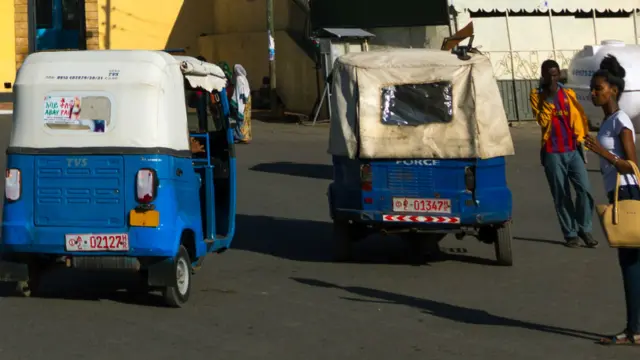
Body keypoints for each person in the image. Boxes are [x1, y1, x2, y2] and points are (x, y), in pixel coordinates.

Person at [583, 55, 640, 345]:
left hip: (628, 194)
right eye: (593, 88)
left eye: (598, 88)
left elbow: (632, 164)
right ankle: (634, 329)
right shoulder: (607, 121)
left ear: (613, 90)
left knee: (631, 265)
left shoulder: (620, 120)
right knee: (630, 265)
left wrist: (601, 151)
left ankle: (634, 331)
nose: (593, 93)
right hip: (619, 193)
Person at [529, 59, 598, 248]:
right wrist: (549, 99)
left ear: (560, 74)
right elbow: (542, 121)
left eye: (555, 74)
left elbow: (578, 119)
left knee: (585, 191)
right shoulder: (537, 96)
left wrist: (584, 138)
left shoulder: (568, 94)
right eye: (549, 75)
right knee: (561, 194)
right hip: (552, 152)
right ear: (543, 76)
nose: (553, 78)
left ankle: (585, 228)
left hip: (573, 149)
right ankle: (571, 233)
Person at [230, 64, 252, 144]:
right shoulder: (243, 78)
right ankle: (238, 135)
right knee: (237, 120)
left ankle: (237, 135)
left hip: (238, 101)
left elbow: (241, 91)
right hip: (241, 101)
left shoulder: (239, 78)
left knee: (236, 120)